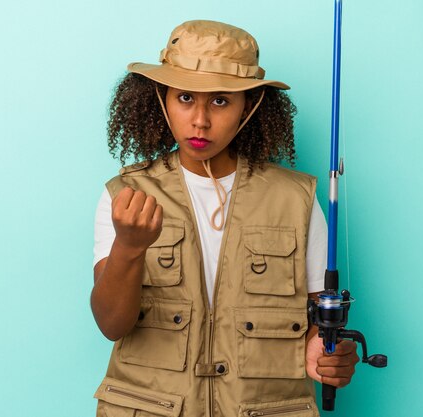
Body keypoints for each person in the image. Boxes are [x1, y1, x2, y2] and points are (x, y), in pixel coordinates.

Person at [91, 20, 359, 417]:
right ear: (161, 100)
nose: (200, 120)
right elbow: (112, 324)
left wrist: (326, 352)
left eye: (220, 100)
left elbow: (320, 320)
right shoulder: (126, 196)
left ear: (247, 107)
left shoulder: (296, 199)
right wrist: (129, 248)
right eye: (184, 97)